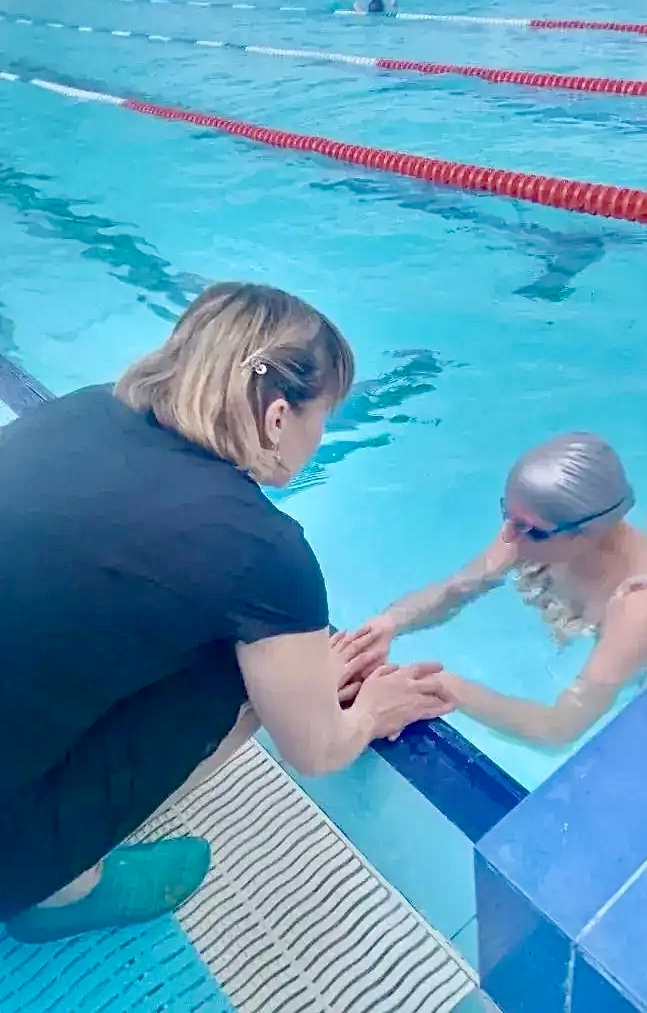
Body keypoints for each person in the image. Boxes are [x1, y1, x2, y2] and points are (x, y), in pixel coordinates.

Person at [0, 282, 453, 943]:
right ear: (278, 418)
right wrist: (367, 712)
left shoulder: (82, 408)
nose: (320, 436)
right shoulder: (260, 550)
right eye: (323, 416)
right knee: (235, 670)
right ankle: (62, 889)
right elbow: (315, 751)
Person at [336, 432, 647, 748]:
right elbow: (459, 587)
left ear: (587, 533)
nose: (507, 536)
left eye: (526, 527)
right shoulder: (538, 531)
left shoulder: (640, 609)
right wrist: (391, 622)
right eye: (506, 514)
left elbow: (558, 729)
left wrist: (447, 686)